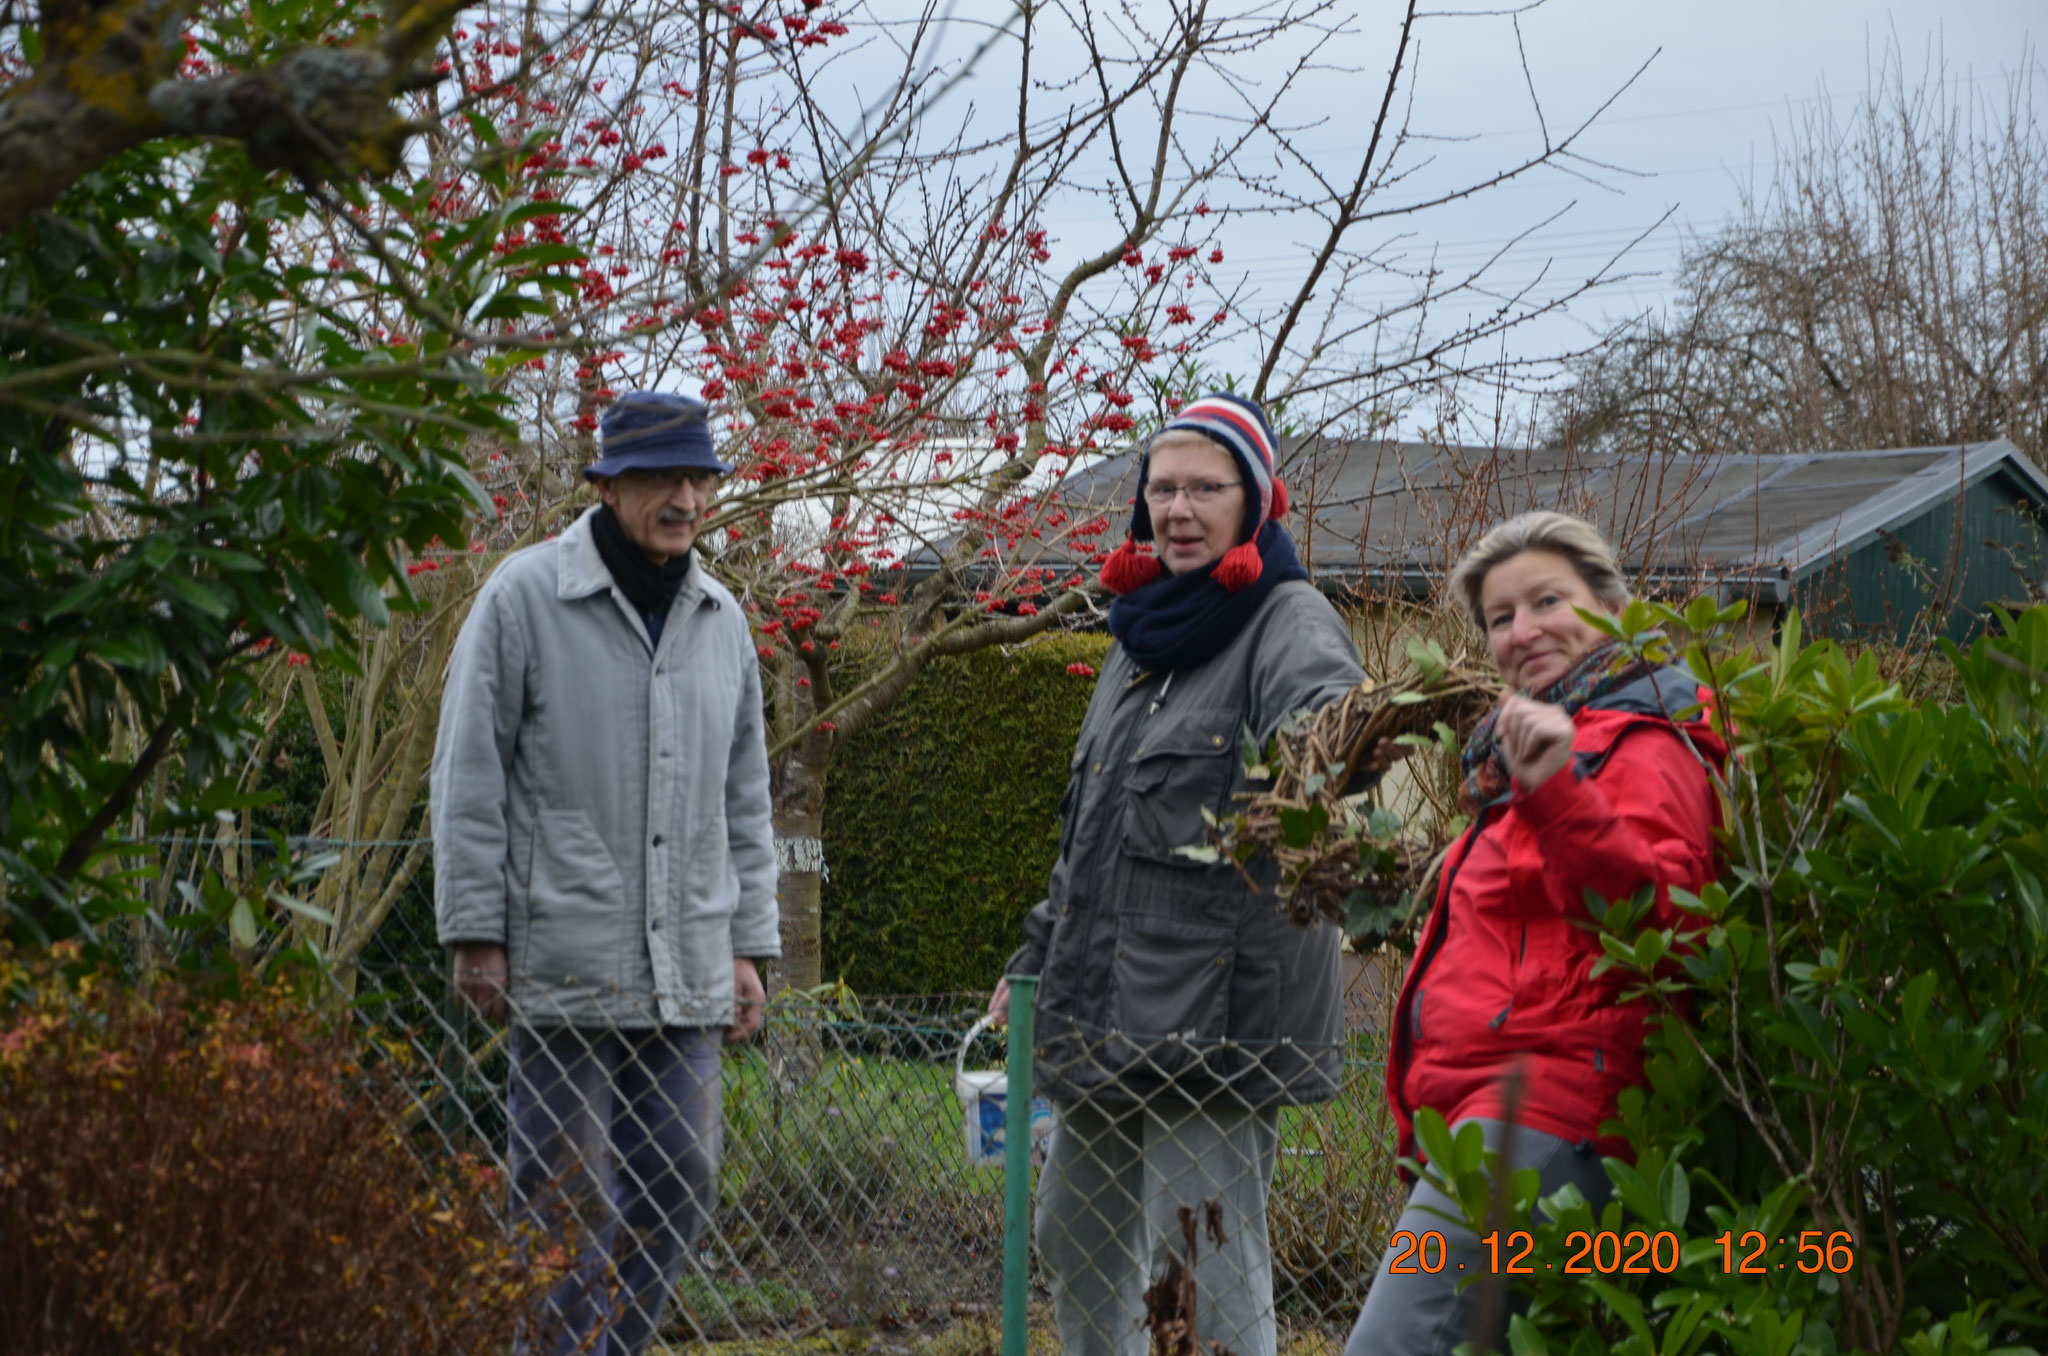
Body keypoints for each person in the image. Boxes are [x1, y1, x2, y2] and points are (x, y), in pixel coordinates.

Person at [988, 393, 1370, 1356]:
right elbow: (1094, 833)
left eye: (1207, 486)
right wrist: (1034, 953)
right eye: (1163, 488)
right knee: (1073, 1234)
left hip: (1213, 1026)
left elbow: (1330, 722)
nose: (1181, 508)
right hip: (1105, 1010)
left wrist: (1318, 759)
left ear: (1256, 500)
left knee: (1199, 1278)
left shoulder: (1287, 618)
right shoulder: (1135, 640)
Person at [430, 391, 780, 1356]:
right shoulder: (524, 596)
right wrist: (475, 931)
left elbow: (744, 797)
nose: (685, 496)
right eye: (662, 478)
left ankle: (608, 1348)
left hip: (691, 963)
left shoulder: (721, 619)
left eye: (697, 477)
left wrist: (751, 946)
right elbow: (466, 771)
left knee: (682, 1173)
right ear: (610, 486)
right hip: (560, 953)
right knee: (563, 1199)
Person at [1343, 511, 1727, 1356]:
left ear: (1609, 606)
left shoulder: (1645, 741)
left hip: (1546, 1114)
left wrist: (1556, 788)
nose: (1523, 631)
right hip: (1489, 1119)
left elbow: (1666, 920)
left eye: (1547, 600)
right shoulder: (1529, 749)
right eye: (1500, 618)